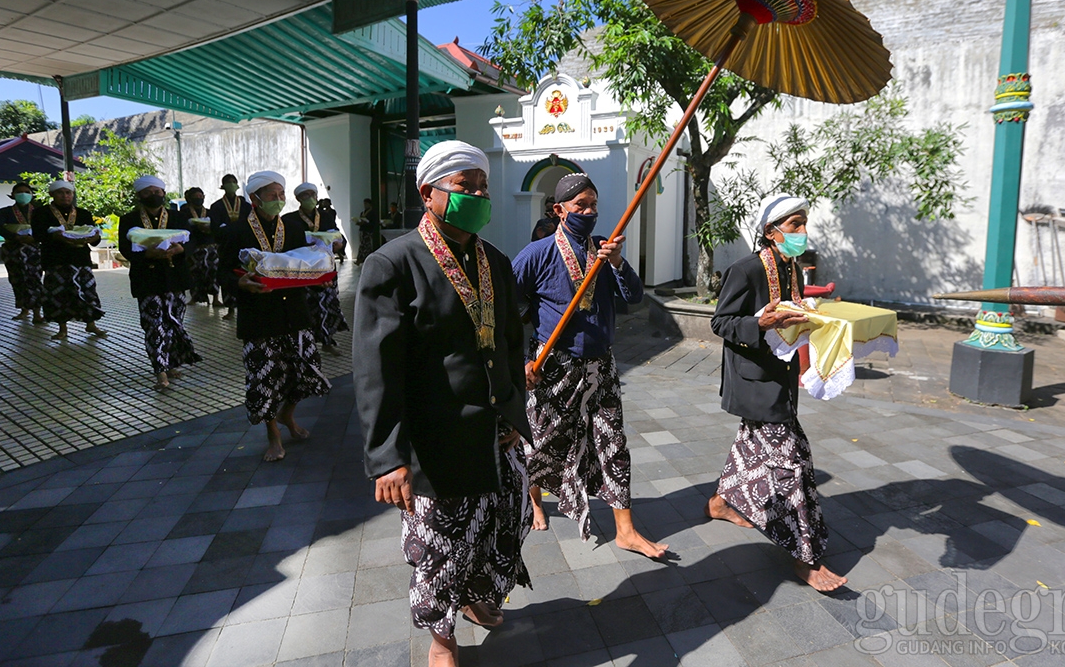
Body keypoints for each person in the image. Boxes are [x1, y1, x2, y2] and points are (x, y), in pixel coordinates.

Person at [355, 141, 533, 667]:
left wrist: (513, 408)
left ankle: (479, 594)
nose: (478, 195)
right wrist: (388, 456)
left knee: (507, 520)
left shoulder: (494, 260)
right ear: (428, 192)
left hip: (494, 429)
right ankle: (441, 637)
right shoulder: (392, 264)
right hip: (435, 439)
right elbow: (376, 368)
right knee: (438, 547)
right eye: (464, 186)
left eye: (482, 186)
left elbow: (509, 343)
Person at [513, 173, 668, 559]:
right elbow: (508, 311)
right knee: (540, 443)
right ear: (559, 209)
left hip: (601, 367)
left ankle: (626, 529)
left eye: (593, 205)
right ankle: (534, 501)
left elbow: (633, 296)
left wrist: (616, 262)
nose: (588, 212)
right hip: (554, 369)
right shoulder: (537, 254)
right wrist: (524, 360)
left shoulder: (603, 249)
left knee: (613, 444)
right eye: (580, 205)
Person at [705, 194, 846, 592]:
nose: (802, 233)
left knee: (751, 446)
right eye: (795, 225)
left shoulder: (793, 270)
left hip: (780, 378)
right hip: (754, 379)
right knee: (793, 465)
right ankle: (806, 556)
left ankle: (718, 503)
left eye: (804, 224)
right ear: (771, 232)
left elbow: (794, 312)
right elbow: (721, 322)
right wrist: (759, 323)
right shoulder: (746, 269)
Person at [221, 171, 330, 462]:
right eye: (272, 195)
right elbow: (220, 272)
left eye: (282, 194)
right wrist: (239, 283)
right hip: (259, 318)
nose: (279, 200)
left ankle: (287, 415)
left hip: (295, 313)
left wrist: (319, 276)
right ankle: (274, 435)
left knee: (306, 373)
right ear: (255, 199)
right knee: (264, 378)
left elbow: (304, 263)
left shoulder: (293, 228)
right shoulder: (237, 231)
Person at [119, 176, 202, 389]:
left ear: (164, 193)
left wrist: (182, 249)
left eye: (157, 191)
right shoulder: (129, 219)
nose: (153, 195)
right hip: (146, 280)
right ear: (139, 195)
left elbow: (193, 241)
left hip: (175, 278)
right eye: (148, 192)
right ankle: (161, 373)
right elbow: (125, 249)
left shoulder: (178, 217)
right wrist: (147, 255)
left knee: (174, 323)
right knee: (154, 326)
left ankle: (172, 364)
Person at [31, 179, 107, 340]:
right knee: (59, 294)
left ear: (72, 194)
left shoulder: (83, 213)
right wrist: (56, 237)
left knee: (88, 292)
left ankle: (91, 324)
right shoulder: (41, 213)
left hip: (81, 260)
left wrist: (93, 237)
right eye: (60, 193)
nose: (65, 196)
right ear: (52, 194)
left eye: (68, 193)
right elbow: (38, 235)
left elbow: (94, 237)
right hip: (55, 260)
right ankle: (62, 328)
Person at [283, 183, 348, 351]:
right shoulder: (289, 220)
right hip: (304, 270)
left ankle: (328, 340)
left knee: (328, 304)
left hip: (326, 268)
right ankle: (306, 342)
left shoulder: (326, 216)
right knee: (308, 306)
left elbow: (338, 236)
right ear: (298, 199)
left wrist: (340, 245)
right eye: (306, 196)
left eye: (313, 195)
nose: (310, 199)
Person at [0, 182, 44, 323]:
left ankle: (37, 313)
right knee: (17, 279)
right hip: (12, 250)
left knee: (34, 279)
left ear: (32, 194)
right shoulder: (3, 212)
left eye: (27, 192)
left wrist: (34, 237)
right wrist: (16, 236)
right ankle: (24, 309)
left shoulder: (39, 211)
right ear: (13, 195)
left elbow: (46, 228)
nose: (24, 194)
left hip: (34, 249)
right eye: (20, 192)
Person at [210, 173, 250, 320]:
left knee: (245, 273)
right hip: (226, 246)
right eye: (228, 182)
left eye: (233, 182)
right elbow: (215, 227)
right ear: (223, 186)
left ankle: (244, 307)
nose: (231, 184)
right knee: (228, 274)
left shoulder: (246, 206)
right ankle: (231, 309)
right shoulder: (216, 206)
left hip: (244, 245)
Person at [177, 187, 219, 306]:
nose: (199, 199)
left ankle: (216, 298)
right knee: (195, 273)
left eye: (201, 197)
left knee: (213, 272)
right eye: (196, 197)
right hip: (194, 247)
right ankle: (196, 297)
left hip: (210, 246)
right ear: (190, 198)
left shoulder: (210, 212)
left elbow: (216, 227)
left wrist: (209, 228)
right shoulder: (184, 213)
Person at [354, 197, 376, 264]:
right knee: (362, 245)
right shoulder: (362, 213)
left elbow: (372, 222)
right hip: (362, 230)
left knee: (367, 245)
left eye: (366, 204)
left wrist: (366, 222)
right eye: (364, 204)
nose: (365, 205)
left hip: (368, 230)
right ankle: (360, 259)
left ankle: (366, 259)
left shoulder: (372, 212)